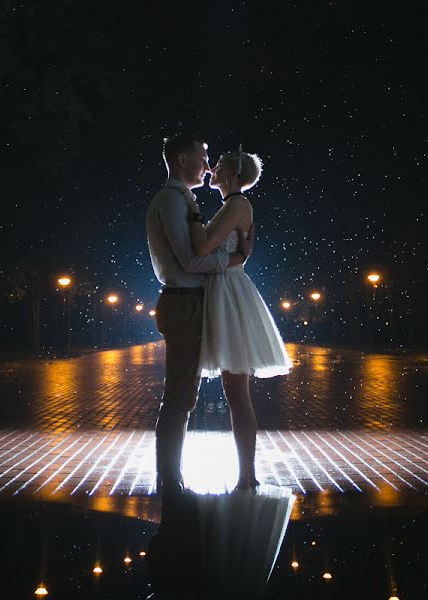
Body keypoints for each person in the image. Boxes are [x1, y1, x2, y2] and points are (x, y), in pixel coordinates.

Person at [145, 134, 253, 503]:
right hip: (184, 302)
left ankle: (172, 479)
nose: (208, 166)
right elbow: (192, 261)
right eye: (203, 157)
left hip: (193, 301)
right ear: (180, 160)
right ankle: (170, 482)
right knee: (179, 396)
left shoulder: (182, 199)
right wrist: (234, 260)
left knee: (183, 395)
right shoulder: (173, 201)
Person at [185, 147, 293, 491]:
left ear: (232, 176)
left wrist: (191, 217)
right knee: (234, 392)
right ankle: (246, 473)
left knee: (237, 392)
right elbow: (230, 251)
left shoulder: (237, 205)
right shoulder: (232, 205)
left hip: (228, 293)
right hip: (221, 287)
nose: (211, 169)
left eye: (217, 166)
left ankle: (247, 474)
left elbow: (203, 248)